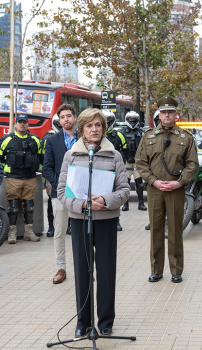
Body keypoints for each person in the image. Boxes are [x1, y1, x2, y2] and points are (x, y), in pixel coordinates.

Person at [57, 108, 129, 337]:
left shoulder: (114, 155)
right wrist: (83, 205)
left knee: (106, 271)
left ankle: (106, 321)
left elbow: (125, 190)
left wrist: (105, 200)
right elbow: (61, 192)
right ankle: (83, 322)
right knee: (82, 271)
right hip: (80, 221)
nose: (95, 129)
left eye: (98, 125)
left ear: (104, 128)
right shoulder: (72, 155)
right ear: (82, 130)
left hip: (107, 220)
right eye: (89, 125)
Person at [136, 96, 199, 283]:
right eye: (164, 112)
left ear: (175, 114)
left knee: (175, 230)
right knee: (155, 230)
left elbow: (192, 164)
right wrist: (153, 181)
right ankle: (156, 269)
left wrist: (179, 183)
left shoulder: (185, 137)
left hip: (175, 189)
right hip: (155, 189)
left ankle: (176, 270)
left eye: (170, 112)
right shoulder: (148, 137)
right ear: (159, 114)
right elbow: (140, 162)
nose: (167, 115)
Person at [43, 104, 78, 284]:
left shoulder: (85, 138)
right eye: (63, 117)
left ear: (75, 117)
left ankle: (85, 268)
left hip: (82, 193)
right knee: (60, 232)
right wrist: (60, 185)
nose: (66, 119)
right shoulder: (52, 141)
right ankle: (61, 268)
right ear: (59, 120)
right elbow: (47, 168)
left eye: (69, 116)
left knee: (84, 232)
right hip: (60, 193)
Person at [0, 114, 42, 244]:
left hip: (30, 177)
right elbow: (0, 157)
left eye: (25, 122)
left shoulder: (35, 139)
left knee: (29, 206)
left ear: (28, 124)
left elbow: (40, 156)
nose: (22, 124)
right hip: (13, 178)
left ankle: (29, 233)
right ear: (15, 124)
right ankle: (11, 233)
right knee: (13, 207)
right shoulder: (6, 139)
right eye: (20, 122)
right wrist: (6, 170)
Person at [103, 109, 127, 231]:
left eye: (108, 120)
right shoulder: (98, 135)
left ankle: (116, 221)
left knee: (115, 195)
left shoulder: (119, 135)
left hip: (115, 170)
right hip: (102, 171)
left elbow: (124, 151)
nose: (106, 123)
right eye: (104, 120)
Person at [120, 111, 147, 211]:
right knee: (126, 184)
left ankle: (141, 203)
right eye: (130, 119)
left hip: (137, 161)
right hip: (126, 161)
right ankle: (125, 204)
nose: (132, 121)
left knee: (139, 184)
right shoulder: (122, 132)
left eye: (134, 119)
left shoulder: (141, 132)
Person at [145, 110, 161, 231]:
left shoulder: (182, 135)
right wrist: (151, 179)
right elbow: (141, 160)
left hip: (173, 183)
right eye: (158, 121)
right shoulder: (148, 136)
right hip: (153, 182)